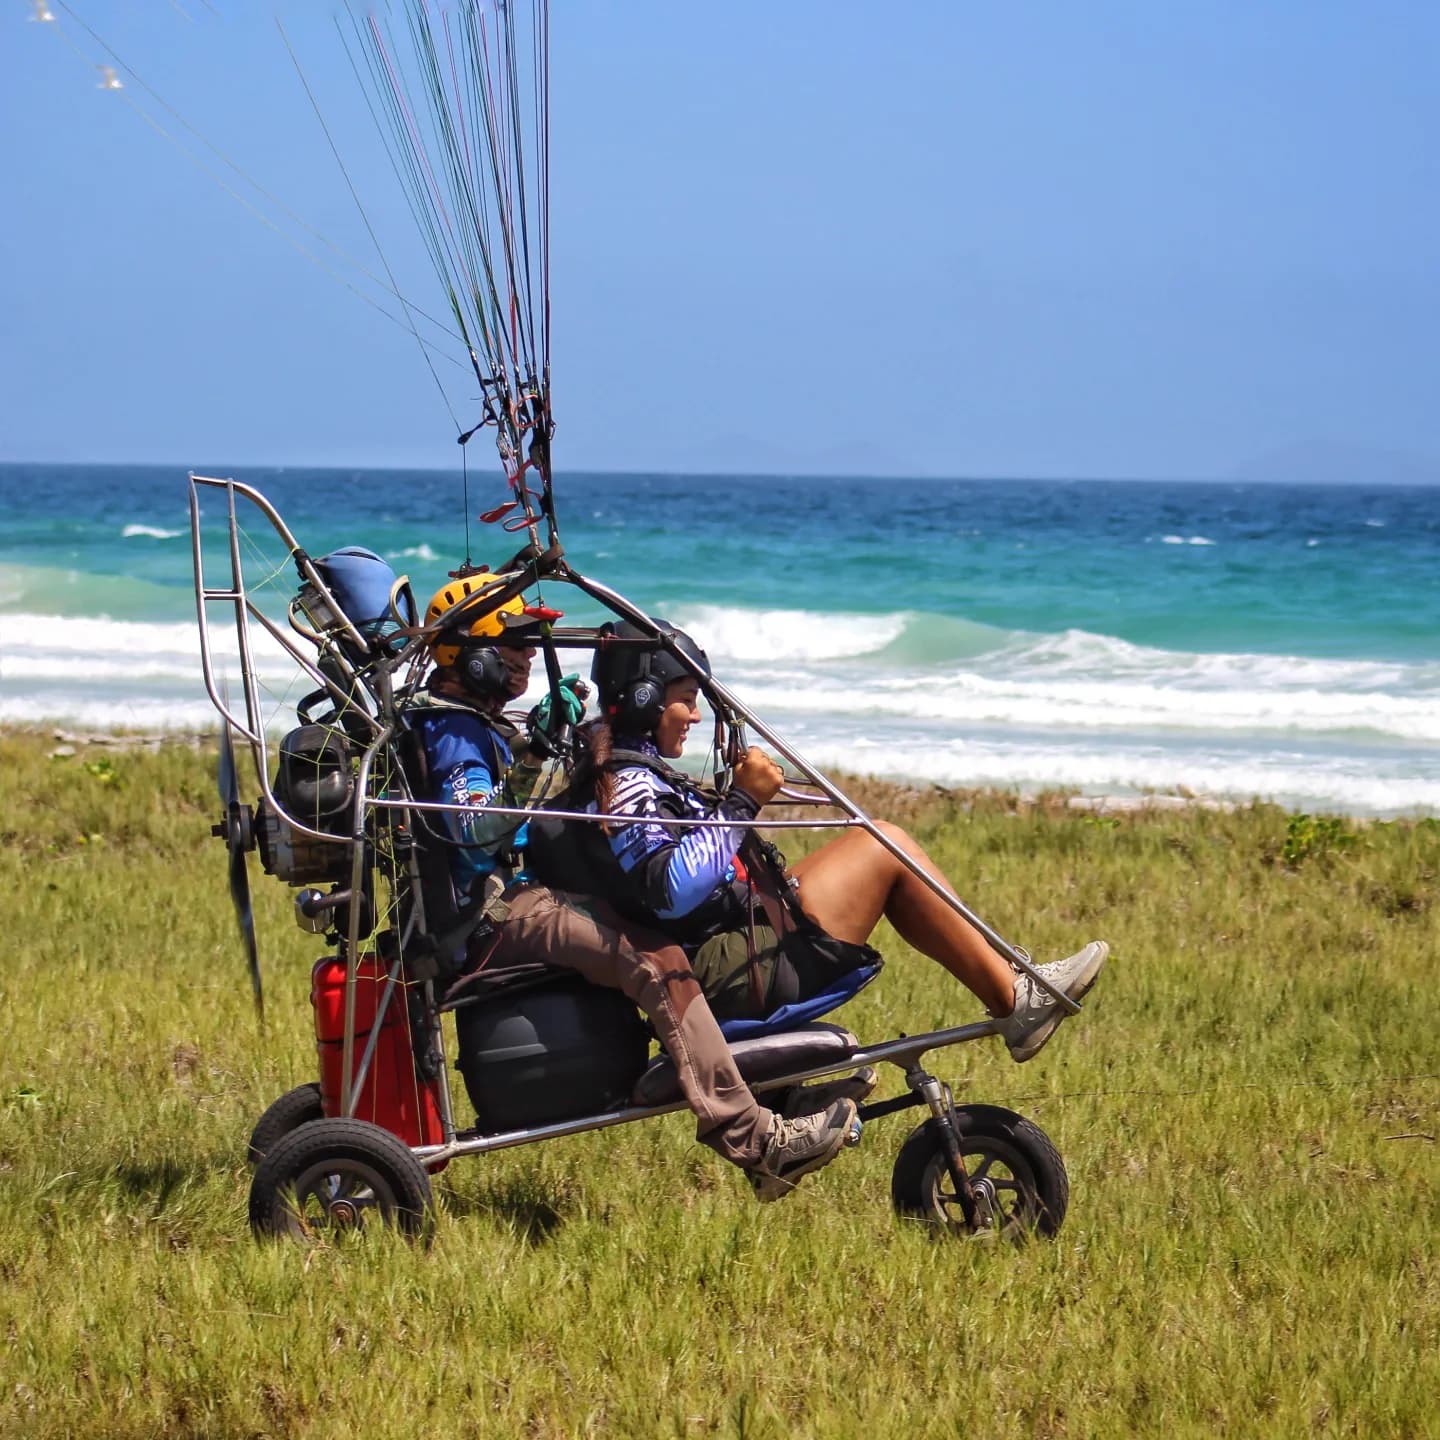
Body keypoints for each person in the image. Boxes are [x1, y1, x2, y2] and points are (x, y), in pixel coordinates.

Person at [403, 573, 865, 1202]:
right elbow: (476, 828)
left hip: (495, 901)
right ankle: (758, 1142)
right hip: (488, 916)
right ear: (472, 655)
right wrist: (535, 752)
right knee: (657, 961)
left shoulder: (461, 722)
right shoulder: (454, 733)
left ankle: (766, 1082)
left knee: (645, 935)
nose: (529, 655)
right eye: (513, 645)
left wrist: (536, 745)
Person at [538, 620, 1108, 1057]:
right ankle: (1015, 1000)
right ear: (644, 698)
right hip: (718, 971)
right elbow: (670, 889)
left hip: (724, 942)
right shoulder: (631, 783)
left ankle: (1010, 983)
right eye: (685, 698)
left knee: (880, 844)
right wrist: (741, 804)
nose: (693, 715)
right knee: (885, 846)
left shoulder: (622, 768)